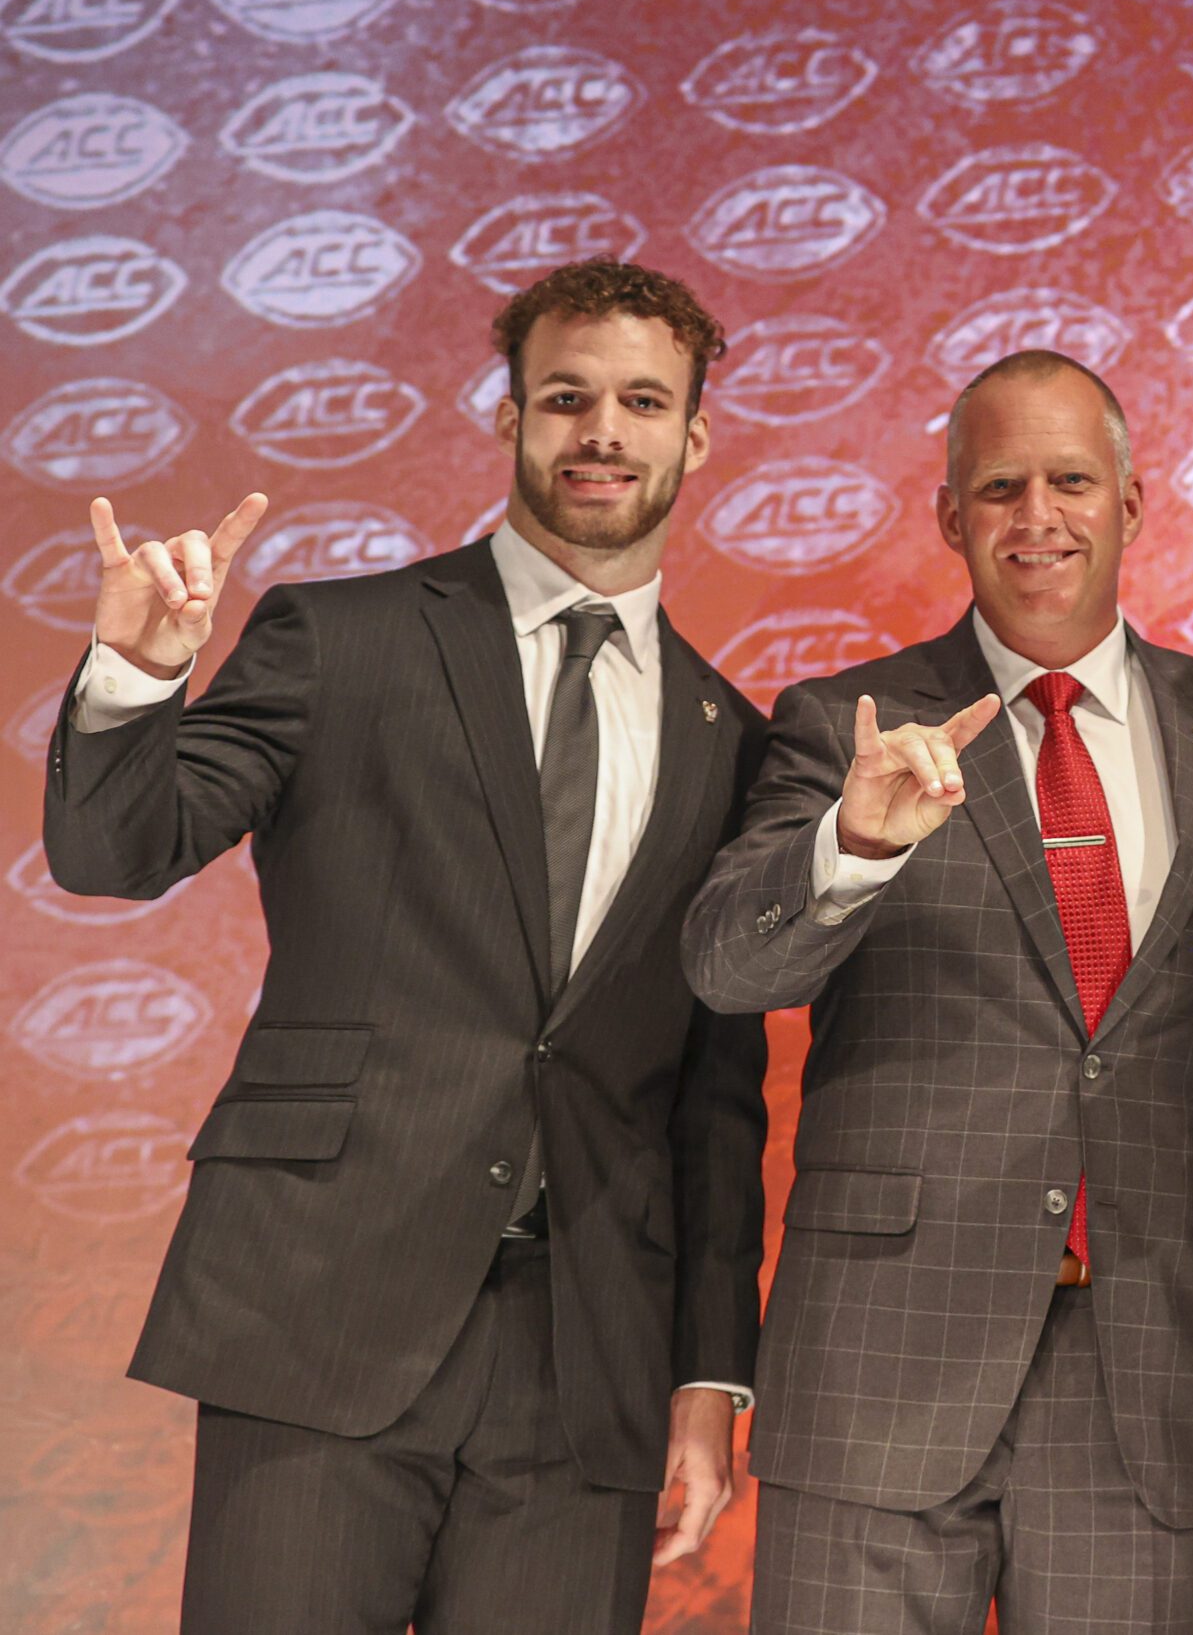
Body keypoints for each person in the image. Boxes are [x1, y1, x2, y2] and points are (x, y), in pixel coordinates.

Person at [42, 256, 772, 1633]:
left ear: (695, 435)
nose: (601, 431)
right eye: (565, 398)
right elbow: (114, 852)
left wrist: (709, 1371)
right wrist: (137, 672)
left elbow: (715, 1093)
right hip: (321, 1305)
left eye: (640, 401)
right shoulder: (343, 636)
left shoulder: (732, 734)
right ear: (508, 421)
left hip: (588, 1359)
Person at [681, 348, 1193, 1634]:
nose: (1035, 517)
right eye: (998, 487)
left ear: (1132, 503)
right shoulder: (848, 726)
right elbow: (727, 966)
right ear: (949, 517)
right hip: (881, 1364)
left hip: (1157, 1376)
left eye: (1069, 481)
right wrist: (861, 843)